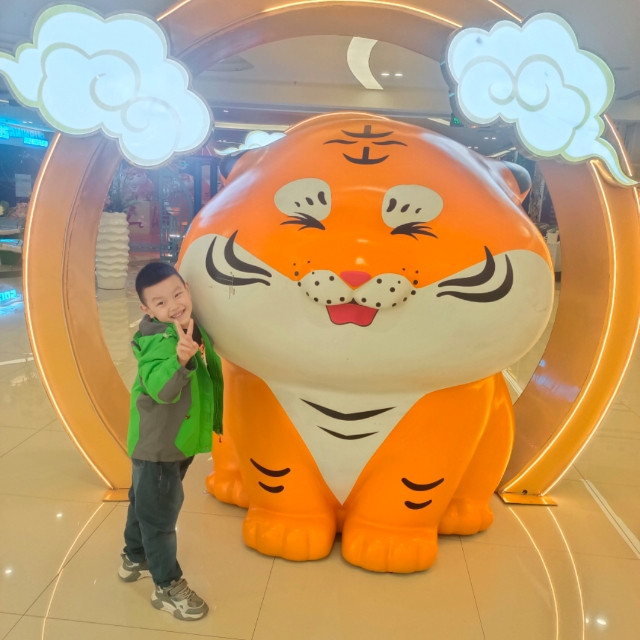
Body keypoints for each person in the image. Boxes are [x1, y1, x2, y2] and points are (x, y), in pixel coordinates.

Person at [118, 261, 223, 621]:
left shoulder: (184, 325)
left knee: (144, 500)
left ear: (187, 289)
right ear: (146, 309)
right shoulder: (156, 341)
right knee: (160, 517)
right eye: (160, 303)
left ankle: (134, 557)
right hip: (159, 446)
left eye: (177, 294)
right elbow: (161, 388)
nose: (173, 305)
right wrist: (180, 361)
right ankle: (166, 586)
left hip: (171, 441)